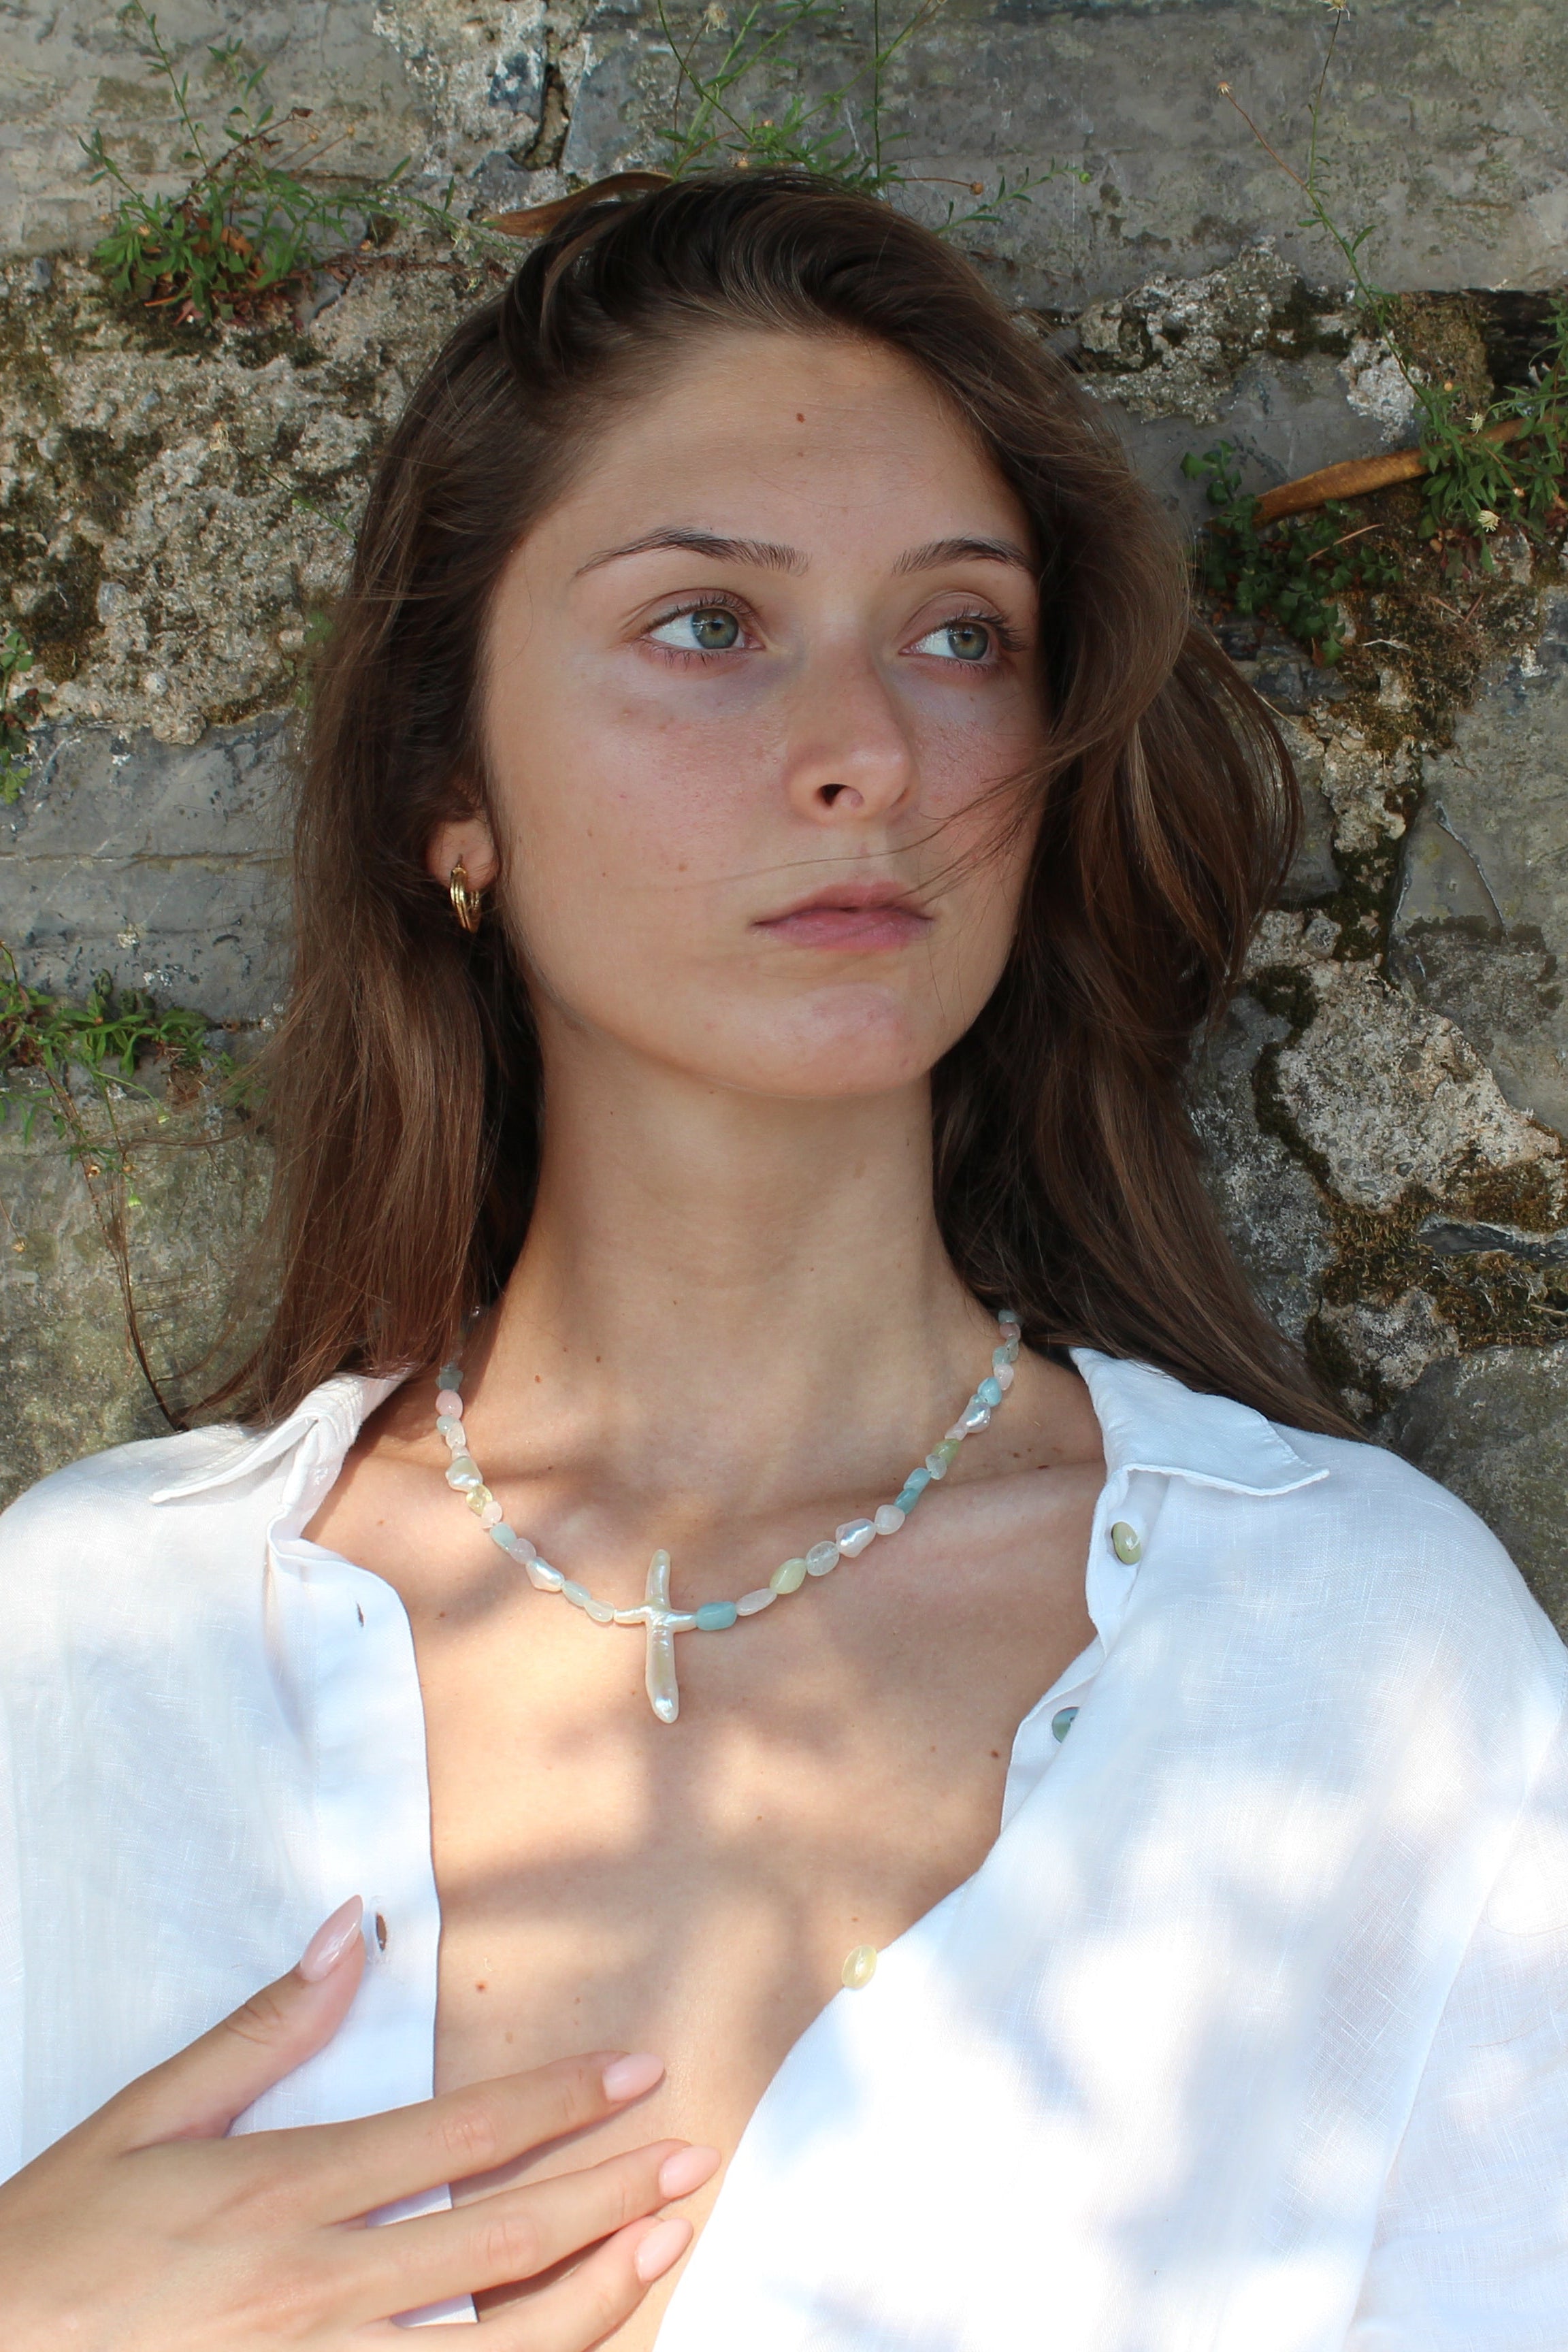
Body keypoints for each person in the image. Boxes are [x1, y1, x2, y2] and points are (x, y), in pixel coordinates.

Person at [0, 172, 1563, 2351]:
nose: (872, 756)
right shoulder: (77, 1657)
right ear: (452, 786)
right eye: (709, 626)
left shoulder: (1356, 1670)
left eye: (959, 636)